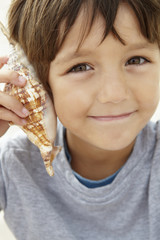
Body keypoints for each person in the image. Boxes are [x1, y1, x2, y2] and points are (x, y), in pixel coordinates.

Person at [0, 0, 160, 239]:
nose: (114, 94)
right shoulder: (15, 164)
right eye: (81, 67)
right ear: (40, 82)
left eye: (135, 60)